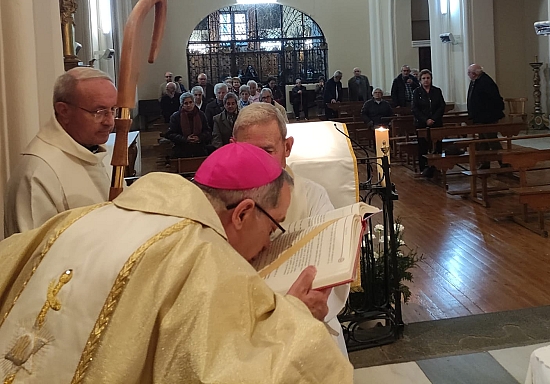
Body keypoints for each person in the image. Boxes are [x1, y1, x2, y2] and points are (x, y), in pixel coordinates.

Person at [0, 144, 353, 382]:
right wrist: (297, 318)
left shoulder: (75, 220)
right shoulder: (200, 260)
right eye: (274, 225)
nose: (267, 245)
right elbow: (233, 373)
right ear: (243, 213)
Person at [231, 103, 349, 357]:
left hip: (309, 330)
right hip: (242, 337)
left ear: (287, 147)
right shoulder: (222, 201)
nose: (257, 161)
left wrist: (299, 308)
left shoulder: (312, 196)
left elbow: (329, 268)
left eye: (267, 150)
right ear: (232, 147)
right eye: (246, 151)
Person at [4, 67, 117, 237]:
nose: (109, 121)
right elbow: (33, 254)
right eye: (98, 112)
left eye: (113, 109)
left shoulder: (100, 152)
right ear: (63, 111)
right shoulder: (38, 172)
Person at [467, 63, 506, 168]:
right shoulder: (475, 81)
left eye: (469, 73)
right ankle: (485, 163)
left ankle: (505, 162)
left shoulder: (486, 82)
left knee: (492, 141)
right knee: (483, 142)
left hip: (487, 118)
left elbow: (494, 100)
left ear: (474, 74)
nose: (468, 75)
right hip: (480, 118)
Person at [412, 69, 446, 178]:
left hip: (436, 123)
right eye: (423, 78)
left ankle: (436, 167)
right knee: (423, 146)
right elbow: (415, 109)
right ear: (420, 80)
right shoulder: (417, 92)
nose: (426, 80)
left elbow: (441, 106)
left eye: (428, 78)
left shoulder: (437, 91)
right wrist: (426, 119)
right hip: (422, 123)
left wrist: (433, 119)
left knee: (437, 145)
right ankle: (424, 168)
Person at [165, 92, 212, 158]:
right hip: (181, 148)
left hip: (199, 148)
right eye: (186, 103)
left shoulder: (201, 114)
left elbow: (207, 131)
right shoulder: (176, 117)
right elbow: (170, 134)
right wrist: (185, 139)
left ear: (194, 102)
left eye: (190, 102)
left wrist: (199, 138)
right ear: (182, 105)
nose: (189, 105)